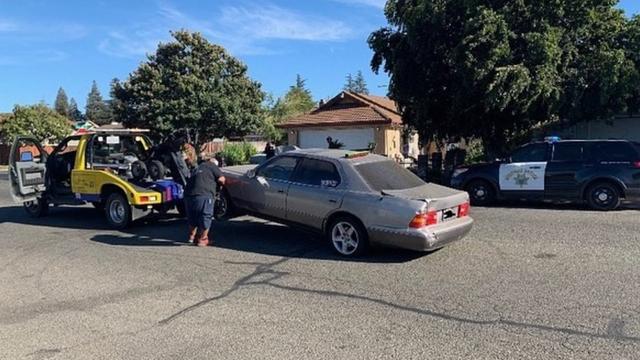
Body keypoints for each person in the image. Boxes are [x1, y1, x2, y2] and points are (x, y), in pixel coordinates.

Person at [184, 152, 226, 247]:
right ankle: (203, 239)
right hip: (204, 194)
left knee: (193, 217)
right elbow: (221, 179)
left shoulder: (197, 168)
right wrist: (220, 187)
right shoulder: (211, 165)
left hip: (188, 195)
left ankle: (192, 237)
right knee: (206, 216)